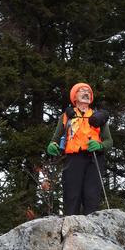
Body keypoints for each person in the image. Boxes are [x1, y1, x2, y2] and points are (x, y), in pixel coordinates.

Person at [47, 82, 113, 215]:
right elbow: (55, 139)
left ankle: (92, 233)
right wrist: (52, 146)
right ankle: (71, 231)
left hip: (94, 159)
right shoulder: (66, 117)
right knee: (72, 196)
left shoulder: (98, 117)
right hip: (73, 160)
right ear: (74, 97)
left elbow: (109, 141)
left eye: (88, 91)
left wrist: (100, 146)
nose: (86, 93)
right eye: (81, 90)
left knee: (92, 197)